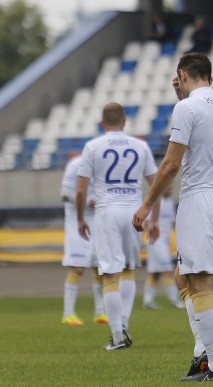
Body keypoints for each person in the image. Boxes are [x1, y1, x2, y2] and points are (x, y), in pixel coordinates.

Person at [132, 52, 213, 381]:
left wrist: (147, 204)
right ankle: (200, 354)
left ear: (182, 73)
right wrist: (184, 95)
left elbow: (172, 164)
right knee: (183, 278)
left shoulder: (186, 107)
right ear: (209, 75)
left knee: (201, 283)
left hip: (199, 200)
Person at [76, 102, 160, 351]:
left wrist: (80, 218)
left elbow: (81, 190)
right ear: (124, 122)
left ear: (102, 123)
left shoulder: (93, 147)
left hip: (107, 211)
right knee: (127, 270)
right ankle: (123, 324)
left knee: (109, 273)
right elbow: (157, 186)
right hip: (134, 211)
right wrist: (154, 220)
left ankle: (117, 334)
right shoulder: (140, 146)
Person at [60, 154, 108, 326]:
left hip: (98, 219)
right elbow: (65, 194)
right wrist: (88, 202)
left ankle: (100, 313)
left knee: (99, 267)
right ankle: (68, 313)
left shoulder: (105, 165)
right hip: (76, 218)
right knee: (78, 267)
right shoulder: (75, 164)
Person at [142, 186, 184, 310]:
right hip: (155, 240)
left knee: (155, 273)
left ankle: (148, 301)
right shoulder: (153, 201)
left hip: (165, 241)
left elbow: (172, 224)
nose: (170, 190)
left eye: (171, 188)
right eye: (167, 188)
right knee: (168, 269)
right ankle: (174, 300)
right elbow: (146, 223)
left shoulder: (170, 204)